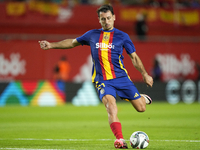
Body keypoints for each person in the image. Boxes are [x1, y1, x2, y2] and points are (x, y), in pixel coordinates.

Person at [39, 4, 153, 149]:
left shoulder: (122, 36)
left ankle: (142, 98)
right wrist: (51, 45)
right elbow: (72, 42)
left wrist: (145, 74)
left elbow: (134, 58)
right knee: (111, 107)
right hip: (103, 80)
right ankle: (120, 140)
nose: (106, 21)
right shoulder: (92, 35)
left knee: (141, 108)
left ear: (114, 18)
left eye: (108, 18)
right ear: (99, 20)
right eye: (103, 19)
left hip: (122, 78)